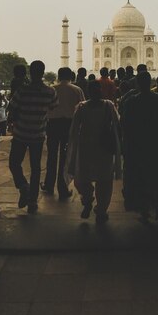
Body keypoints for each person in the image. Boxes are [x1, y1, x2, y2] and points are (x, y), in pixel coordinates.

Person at [121, 71, 158, 230]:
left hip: (139, 147)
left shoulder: (132, 101)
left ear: (137, 84)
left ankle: (144, 213)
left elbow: (126, 125)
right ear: (150, 82)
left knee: (141, 179)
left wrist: (125, 147)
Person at [66, 80, 121, 223]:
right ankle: (101, 210)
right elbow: (117, 124)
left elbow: (73, 130)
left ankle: (87, 199)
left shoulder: (82, 107)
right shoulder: (108, 106)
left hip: (86, 147)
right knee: (104, 180)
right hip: (103, 147)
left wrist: (72, 147)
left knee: (83, 177)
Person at [8, 60, 58, 213]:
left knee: (14, 163)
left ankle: (23, 186)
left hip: (21, 134)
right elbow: (53, 106)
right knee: (36, 169)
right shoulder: (50, 92)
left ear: (31, 72)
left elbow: (12, 107)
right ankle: (32, 202)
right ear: (43, 73)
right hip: (38, 134)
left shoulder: (22, 90)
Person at [40, 67, 85, 200]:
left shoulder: (52, 89)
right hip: (69, 126)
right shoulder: (76, 90)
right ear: (70, 76)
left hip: (53, 125)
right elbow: (82, 109)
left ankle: (49, 185)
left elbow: (45, 108)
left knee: (52, 155)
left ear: (59, 76)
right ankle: (63, 187)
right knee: (66, 157)